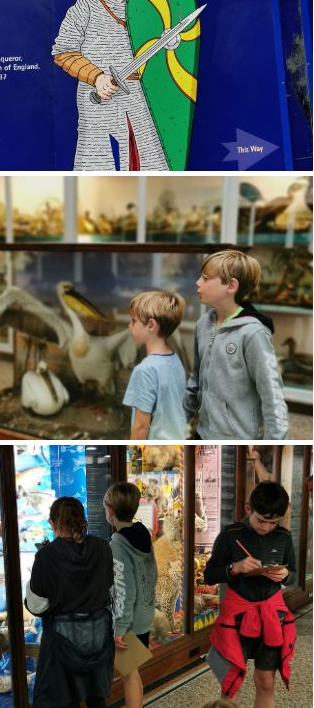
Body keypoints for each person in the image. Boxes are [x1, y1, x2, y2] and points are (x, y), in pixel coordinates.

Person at [51, 0, 168, 170]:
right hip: (99, 96)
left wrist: (170, 43)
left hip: (139, 96)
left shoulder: (147, 5)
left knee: (149, 162)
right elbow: (63, 51)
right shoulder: (86, 5)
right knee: (99, 163)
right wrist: (97, 77)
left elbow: (154, 47)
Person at [203, 482, 298, 708]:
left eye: (273, 522)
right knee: (231, 683)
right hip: (236, 616)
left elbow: (294, 576)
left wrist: (284, 574)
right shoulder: (230, 534)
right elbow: (209, 575)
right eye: (261, 520)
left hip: (271, 616)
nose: (266, 527)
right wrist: (234, 568)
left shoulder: (283, 536)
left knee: (265, 681)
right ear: (248, 509)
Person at [183, 250, 287, 439]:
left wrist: (272, 447)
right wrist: (177, 421)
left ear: (231, 286)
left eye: (205, 278)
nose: (198, 283)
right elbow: (195, 383)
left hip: (238, 441)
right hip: (203, 434)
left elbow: (273, 397)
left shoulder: (254, 333)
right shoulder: (203, 325)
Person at [25, 496, 115, 708]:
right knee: (96, 699)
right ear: (82, 520)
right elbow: (110, 590)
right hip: (99, 639)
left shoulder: (46, 556)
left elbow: (36, 606)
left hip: (61, 644)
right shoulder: (103, 548)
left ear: (52, 523)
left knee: (62, 701)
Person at [104, 482, 157, 708]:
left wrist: (120, 628)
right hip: (144, 617)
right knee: (134, 675)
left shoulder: (118, 543)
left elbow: (124, 589)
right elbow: (152, 573)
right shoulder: (143, 533)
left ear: (110, 511)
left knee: (130, 677)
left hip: (129, 624)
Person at [122, 290, 187, 439]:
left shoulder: (144, 370)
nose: (129, 325)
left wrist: (132, 458)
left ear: (151, 325)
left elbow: (141, 427)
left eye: (133, 321)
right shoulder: (175, 360)